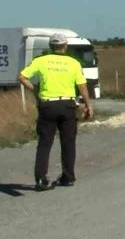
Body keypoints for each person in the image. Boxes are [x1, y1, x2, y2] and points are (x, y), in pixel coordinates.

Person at [17, 33, 94, 191]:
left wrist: (36, 90)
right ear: (65, 46)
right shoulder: (73, 63)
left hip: (48, 105)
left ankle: (41, 179)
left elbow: (22, 77)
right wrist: (88, 105)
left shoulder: (41, 61)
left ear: (50, 46)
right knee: (68, 142)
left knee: (45, 143)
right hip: (67, 105)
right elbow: (82, 86)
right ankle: (68, 177)